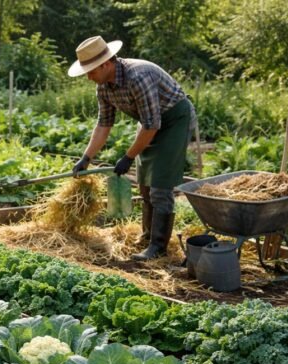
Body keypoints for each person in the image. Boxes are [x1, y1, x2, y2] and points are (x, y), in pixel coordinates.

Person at [68, 36, 195, 260]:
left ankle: (158, 248)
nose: (88, 77)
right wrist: (86, 158)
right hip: (149, 123)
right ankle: (147, 236)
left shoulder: (137, 77)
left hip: (174, 120)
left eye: (91, 71)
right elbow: (104, 124)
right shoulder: (103, 88)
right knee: (145, 185)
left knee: (160, 187)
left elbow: (152, 125)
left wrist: (128, 157)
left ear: (105, 64)